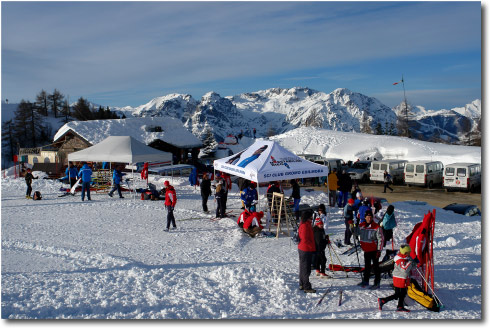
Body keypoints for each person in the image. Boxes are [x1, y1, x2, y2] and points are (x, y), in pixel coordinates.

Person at [378, 244, 415, 312]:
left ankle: (400, 306)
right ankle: (383, 300)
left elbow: (409, 267)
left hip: (401, 278)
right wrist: (411, 262)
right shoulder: (401, 260)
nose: (410, 253)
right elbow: (405, 269)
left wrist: (413, 263)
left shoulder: (404, 258)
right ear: (405, 253)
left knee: (402, 293)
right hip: (399, 279)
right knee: (398, 294)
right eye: (409, 252)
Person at [352, 209, 383, 289]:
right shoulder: (362, 226)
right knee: (367, 266)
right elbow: (356, 233)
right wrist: (353, 226)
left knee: (376, 267)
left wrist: (379, 250)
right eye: (367, 217)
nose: (369, 218)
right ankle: (366, 281)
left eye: (370, 217)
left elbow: (381, 239)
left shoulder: (376, 227)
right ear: (365, 217)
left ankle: (377, 282)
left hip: (374, 250)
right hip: (366, 250)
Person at [298, 210, 316, 293]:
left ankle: (302, 283)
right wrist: (311, 247)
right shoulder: (305, 225)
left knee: (303, 267)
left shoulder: (306, 224)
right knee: (306, 268)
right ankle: (306, 286)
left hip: (304, 248)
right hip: (305, 249)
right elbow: (305, 239)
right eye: (311, 216)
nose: (312, 217)